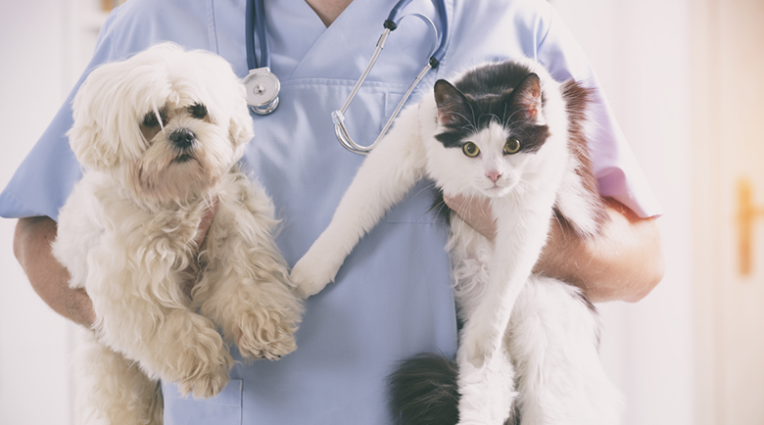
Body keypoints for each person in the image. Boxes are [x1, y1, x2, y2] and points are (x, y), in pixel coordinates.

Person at [5, 0, 664, 423]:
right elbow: (38, 234)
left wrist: (509, 220)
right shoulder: (154, 26)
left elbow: (640, 262)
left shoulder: (506, 23)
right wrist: (140, 319)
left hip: (439, 407)